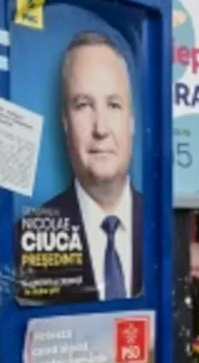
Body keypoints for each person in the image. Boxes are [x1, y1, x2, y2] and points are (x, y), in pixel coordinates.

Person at [25, 30, 143, 301]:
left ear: (132, 120)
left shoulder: (162, 231)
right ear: (65, 122)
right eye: (83, 105)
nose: (101, 128)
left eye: (113, 105)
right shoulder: (25, 238)